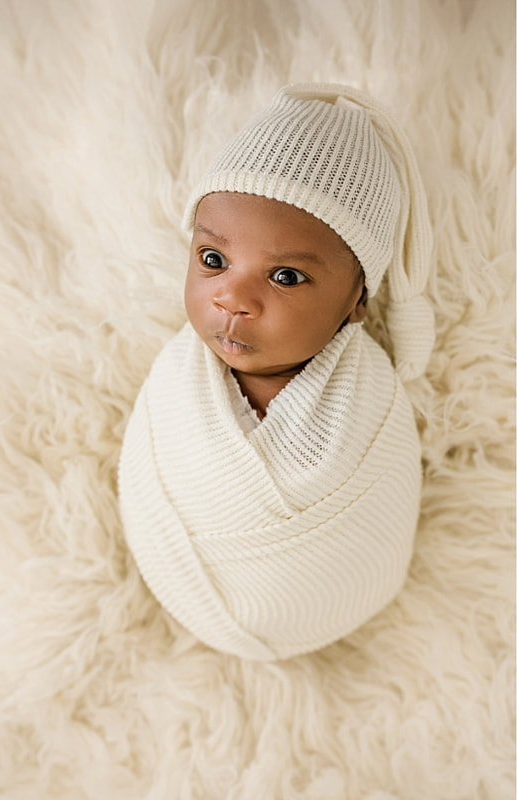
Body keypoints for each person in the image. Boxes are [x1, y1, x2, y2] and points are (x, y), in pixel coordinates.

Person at [118, 84, 434, 660]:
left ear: (357, 302)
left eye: (285, 277)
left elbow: (381, 501)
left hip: (332, 594)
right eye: (213, 260)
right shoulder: (176, 380)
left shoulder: (371, 400)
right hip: (185, 583)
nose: (232, 298)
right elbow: (148, 467)